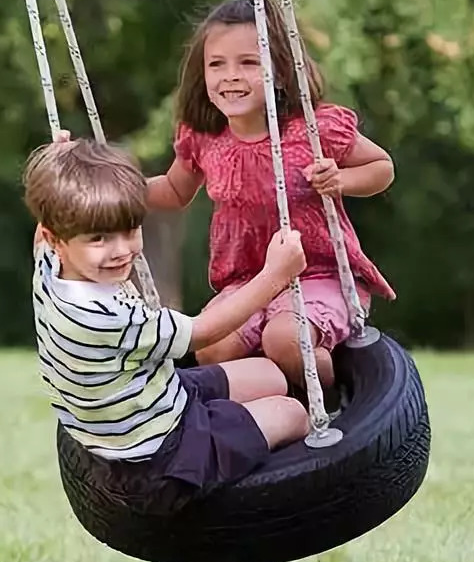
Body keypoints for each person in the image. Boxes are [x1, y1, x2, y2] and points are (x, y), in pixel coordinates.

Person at [24, 137, 310, 516]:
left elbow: (43, 225)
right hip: (159, 459)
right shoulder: (104, 317)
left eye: (130, 230)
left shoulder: (48, 263)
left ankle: (244, 426)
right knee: (293, 413)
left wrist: (59, 164)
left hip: (156, 398)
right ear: (57, 239)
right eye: (99, 239)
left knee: (269, 375)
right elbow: (203, 331)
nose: (122, 249)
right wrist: (274, 276)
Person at [147, 0, 395, 392]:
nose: (231, 76)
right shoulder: (205, 137)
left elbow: (381, 168)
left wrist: (340, 181)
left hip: (318, 274)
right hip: (246, 282)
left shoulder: (313, 130)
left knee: (284, 341)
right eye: (217, 65)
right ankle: (269, 412)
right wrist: (114, 188)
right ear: (202, 73)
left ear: (279, 71)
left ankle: (341, 400)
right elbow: (175, 190)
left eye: (248, 63)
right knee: (212, 347)